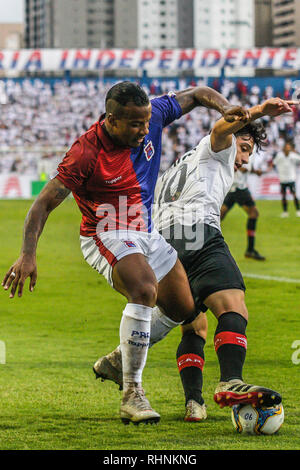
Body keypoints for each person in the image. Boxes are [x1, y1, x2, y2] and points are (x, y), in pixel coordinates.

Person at [2, 81, 250, 426]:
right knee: (144, 289)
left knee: (183, 308)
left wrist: (224, 108)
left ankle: (120, 361)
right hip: (105, 234)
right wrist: (27, 255)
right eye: (135, 124)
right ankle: (132, 393)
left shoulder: (153, 114)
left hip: (145, 232)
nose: (144, 130)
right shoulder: (85, 152)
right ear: (111, 120)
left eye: (146, 122)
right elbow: (43, 203)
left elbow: (196, 94)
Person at [93, 97, 296, 421]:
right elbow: (220, 128)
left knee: (192, 321)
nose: (243, 159)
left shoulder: (179, 163)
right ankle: (230, 379)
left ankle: (188, 400)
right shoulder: (217, 146)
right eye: (245, 149)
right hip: (197, 230)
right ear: (237, 138)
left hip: (162, 239)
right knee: (232, 304)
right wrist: (258, 112)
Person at [220, 164, 266, 261]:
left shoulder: (248, 151)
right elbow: (240, 166)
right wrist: (247, 169)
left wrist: (254, 171)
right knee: (254, 214)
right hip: (239, 188)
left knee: (219, 216)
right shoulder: (241, 150)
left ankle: (200, 242)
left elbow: (246, 168)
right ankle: (250, 250)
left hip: (233, 188)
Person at [273, 140, 300, 218]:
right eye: (286, 147)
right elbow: (274, 163)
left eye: (289, 148)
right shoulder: (279, 155)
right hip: (282, 179)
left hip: (291, 179)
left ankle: (298, 210)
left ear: (291, 149)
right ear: (284, 148)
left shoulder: (293, 155)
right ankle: (285, 212)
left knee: (294, 195)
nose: (288, 149)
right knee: (283, 196)